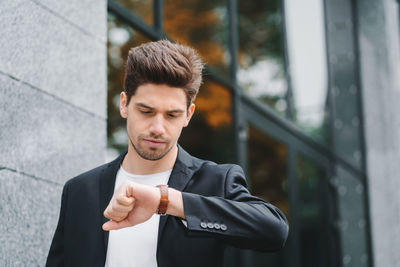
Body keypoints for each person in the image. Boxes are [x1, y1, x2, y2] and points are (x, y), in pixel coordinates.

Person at [46, 40, 289, 267]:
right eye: (146, 111)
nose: (157, 128)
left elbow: (274, 230)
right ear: (124, 105)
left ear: (188, 115)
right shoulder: (79, 190)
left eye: (171, 115)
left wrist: (167, 201)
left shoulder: (215, 180)